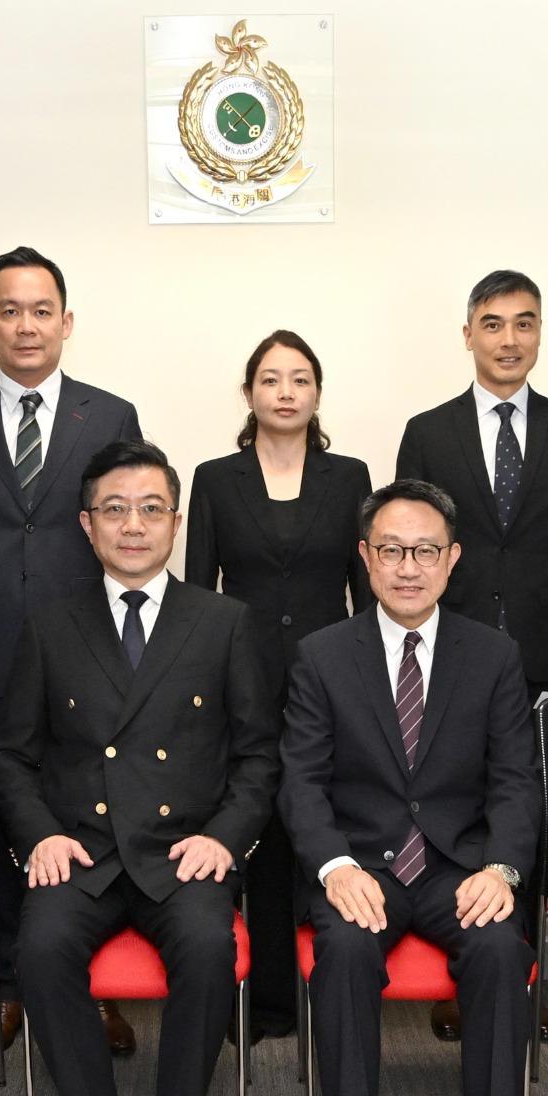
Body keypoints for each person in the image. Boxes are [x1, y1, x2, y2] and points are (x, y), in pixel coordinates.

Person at [0, 440, 280, 1096]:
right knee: (39, 950)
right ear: (86, 526)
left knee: (204, 946)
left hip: (179, 850)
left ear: (176, 522)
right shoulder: (50, 625)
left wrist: (224, 838)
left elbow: (260, 754)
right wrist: (40, 834)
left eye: (152, 508)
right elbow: (11, 755)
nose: (134, 525)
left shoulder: (223, 621)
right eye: (114, 509)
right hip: (80, 850)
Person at [280, 479, 541, 1096]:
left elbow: (517, 782)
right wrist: (332, 867)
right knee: (347, 955)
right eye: (390, 550)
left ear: (453, 559)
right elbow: (300, 780)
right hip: (362, 866)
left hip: (460, 867)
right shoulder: (323, 655)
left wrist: (501, 867)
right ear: (364, 557)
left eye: (426, 550)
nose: (407, 567)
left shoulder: (493, 654)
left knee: (501, 953)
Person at [0, 246, 143, 1061]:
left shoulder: (110, 416)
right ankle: (11, 989)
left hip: (88, 657)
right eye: (9, 310)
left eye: (41, 310)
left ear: (67, 322)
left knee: (92, 816)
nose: (26, 325)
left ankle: (99, 996)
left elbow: (131, 538)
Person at [395, 269, 548, 1045]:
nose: (508, 339)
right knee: (455, 809)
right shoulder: (430, 430)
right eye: (493, 323)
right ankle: (460, 974)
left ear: (540, 334)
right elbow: (408, 546)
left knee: (534, 817)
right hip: (450, 660)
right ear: (468, 334)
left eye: (523, 324)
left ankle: (518, 975)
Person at [183, 329, 371, 1046]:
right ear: (249, 393)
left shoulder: (350, 476)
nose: (285, 391)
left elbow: (369, 588)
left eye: (299, 379)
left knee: (325, 822)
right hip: (242, 677)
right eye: (270, 379)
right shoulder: (213, 478)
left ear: (317, 393)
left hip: (333, 676)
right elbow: (198, 591)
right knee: (255, 826)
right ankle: (264, 1002)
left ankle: (328, 986)